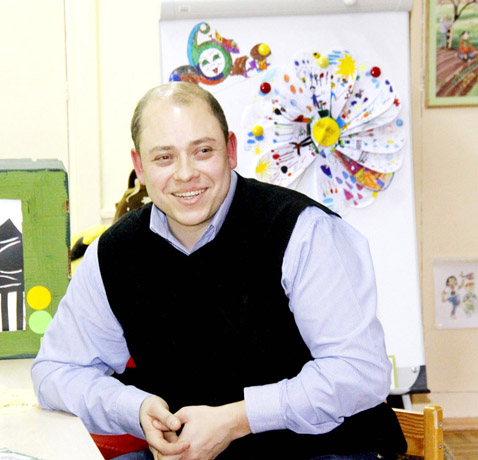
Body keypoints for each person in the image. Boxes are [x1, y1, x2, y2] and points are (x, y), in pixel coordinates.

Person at [31, 82, 406, 460]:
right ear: (140, 167)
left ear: (230, 150)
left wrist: (237, 419)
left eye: (203, 151)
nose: (185, 173)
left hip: (327, 450)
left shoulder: (304, 232)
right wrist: (135, 409)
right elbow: (55, 371)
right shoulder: (114, 253)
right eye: (164, 157)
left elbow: (359, 372)